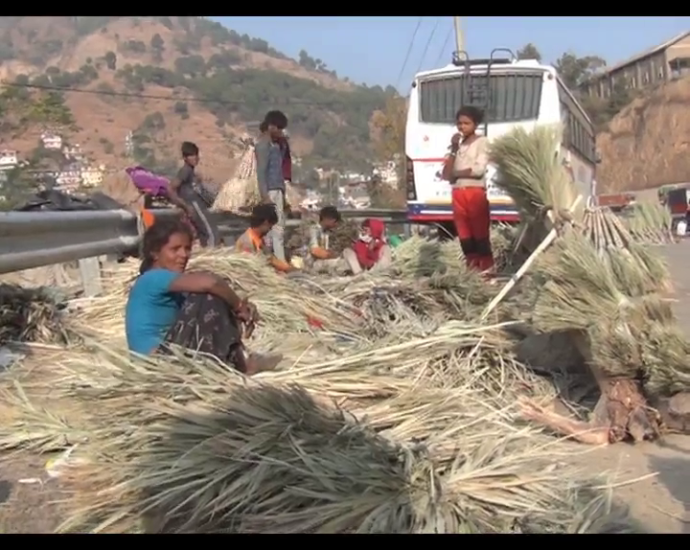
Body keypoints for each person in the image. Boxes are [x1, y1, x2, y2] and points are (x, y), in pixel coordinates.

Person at [124, 218, 281, 375]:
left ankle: (236, 360)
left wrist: (238, 312)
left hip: (168, 357)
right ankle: (242, 366)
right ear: (155, 253)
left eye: (187, 248)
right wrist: (239, 306)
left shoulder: (171, 285)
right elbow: (211, 283)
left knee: (216, 297)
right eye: (175, 249)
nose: (183, 255)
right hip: (158, 362)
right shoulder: (153, 277)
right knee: (209, 295)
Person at [441, 106, 494, 273]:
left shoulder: (482, 142)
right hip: (458, 194)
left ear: (475, 124)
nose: (462, 127)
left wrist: (455, 173)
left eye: (466, 123)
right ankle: (471, 273)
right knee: (465, 237)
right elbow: (446, 175)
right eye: (459, 123)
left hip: (475, 193)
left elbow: (478, 170)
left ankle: (486, 271)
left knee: (480, 236)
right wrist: (454, 149)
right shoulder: (456, 147)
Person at [168, 141, 221, 248]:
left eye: (196, 154)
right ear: (185, 158)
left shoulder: (191, 172)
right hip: (194, 204)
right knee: (211, 232)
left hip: (197, 204)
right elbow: (170, 188)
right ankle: (212, 256)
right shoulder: (185, 171)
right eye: (191, 155)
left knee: (204, 233)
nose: (195, 158)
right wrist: (185, 205)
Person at [255, 110, 289, 265]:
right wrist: (265, 196)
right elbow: (261, 171)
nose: (281, 132)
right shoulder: (263, 145)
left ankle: (279, 262)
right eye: (279, 128)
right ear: (270, 126)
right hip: (270, 191)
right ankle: (276, 263)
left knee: (279, 229)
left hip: (278, 189)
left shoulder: (277, 145)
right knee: (273, 230)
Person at [236, 204, 296, 273]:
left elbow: (271, 259)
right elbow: (253, 270)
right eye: (270, 227)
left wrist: (289, 268)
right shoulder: (246, 243)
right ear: (265, 223)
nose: (270, 230)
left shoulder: (257, 238)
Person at [307, 206, 360, 274]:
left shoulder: (330, 232)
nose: (336, 224)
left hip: (331, 261)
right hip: (318, 262)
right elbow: (316, 250)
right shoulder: (318, 230)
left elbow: (330, 252)